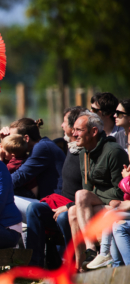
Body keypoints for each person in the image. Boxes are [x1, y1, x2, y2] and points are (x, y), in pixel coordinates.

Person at [24, 107, 85, 268]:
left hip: (77, 207)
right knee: (34, 209)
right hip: (62, 203)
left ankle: (70, 266)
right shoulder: (71, 148)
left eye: (64, 122)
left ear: (74, 128)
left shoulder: (87, 153)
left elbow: (90, 191)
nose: (61, 126)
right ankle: (34, 266)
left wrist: (68, 207)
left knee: (65, 217)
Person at [68, 110, 129, 270]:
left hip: (119, 205)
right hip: (104, 202)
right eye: (73, 130)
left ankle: (92, 251)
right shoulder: (84, 153)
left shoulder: (113, 152)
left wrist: (96, 197)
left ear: (94, 131)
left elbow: (121, 192)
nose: (74, 134)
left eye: (78, 130)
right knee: (73, 212)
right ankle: (81, 264)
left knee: (80, 196)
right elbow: (87, 188)